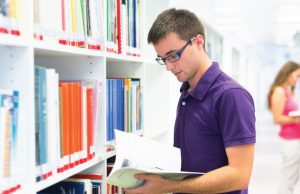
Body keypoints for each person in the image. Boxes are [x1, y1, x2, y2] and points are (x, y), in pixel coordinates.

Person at [125, 8, 256, 194]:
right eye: (163, 59)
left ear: (198, 42)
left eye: (173, 56)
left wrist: (169, 186)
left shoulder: (231, 96)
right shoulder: (187, 90)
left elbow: (239, 175)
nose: (169, 67)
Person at [267, 61, 300, 194]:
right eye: (297, 76)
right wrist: (296, 119)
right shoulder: (279, 91)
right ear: (288, 73)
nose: (297, 80)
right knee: (288, 179)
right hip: (289, 141)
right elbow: (277, 119)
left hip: (295, 140)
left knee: (292, 179)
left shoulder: (287, 91)